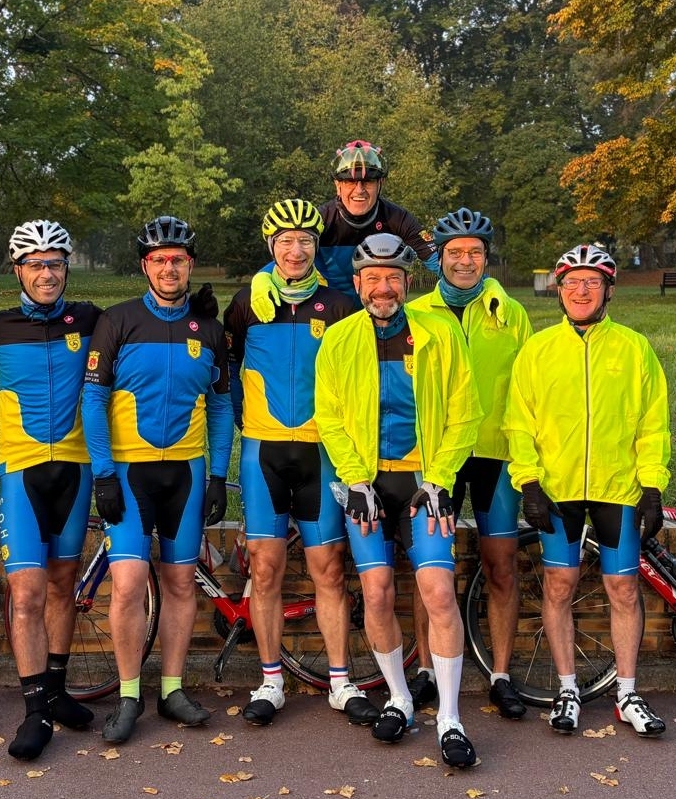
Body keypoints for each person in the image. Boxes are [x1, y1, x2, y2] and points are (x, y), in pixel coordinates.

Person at [315, 233, 483, 768]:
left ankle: (450, 717)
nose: (382, 288)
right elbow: (330, 417)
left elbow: (465, 412)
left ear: (408, 283)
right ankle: (399, 698)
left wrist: (440, 478)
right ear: (357, 283)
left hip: (422, 483)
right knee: (377, 592)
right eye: (372, 278)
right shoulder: (339, 338)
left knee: (438, 594)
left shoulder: (439, 332)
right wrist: (354, 479)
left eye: (392, 278)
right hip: (368, 485)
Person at [222, 199, 378, 727]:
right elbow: (227, 366)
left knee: (329, 568)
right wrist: (242, 417)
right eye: (285, 241)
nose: (296, 250)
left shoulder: (339, 305)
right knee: (265, 569)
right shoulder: (246, 303)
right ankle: (270, 681)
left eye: (306, 241)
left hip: (322, 450)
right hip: (263, 451)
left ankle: (340, 681)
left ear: (317, 247)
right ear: (272, 247)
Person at [504, 244, 670, 738]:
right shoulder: (537, 350)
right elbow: (519, 423)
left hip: (617, 488)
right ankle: (567, 689)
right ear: (559, 290)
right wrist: (528, 482)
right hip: (557, 489)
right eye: (572, 282)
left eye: (592, 282)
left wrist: (652, 485)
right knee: (560, 585)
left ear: (608, 291)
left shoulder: (634, 348)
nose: (581, 291)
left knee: (623, 588)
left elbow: (653, 423)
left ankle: (627, 693)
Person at [81, 216, 232, 744]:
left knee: (181, 582)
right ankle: (129, 695)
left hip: (186, 474)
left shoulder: (208, 329)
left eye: (178, 259)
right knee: (127, 585)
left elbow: (221, 406)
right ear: (145, 266)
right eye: (159, 259)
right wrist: (104, 474)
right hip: (128, 474)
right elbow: (93, 400)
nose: (170, 268)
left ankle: (171, 689)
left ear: (190, 265)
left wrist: (218, 475)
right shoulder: (117, 321)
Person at [0, 220, 101, 760]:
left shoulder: (91, 320)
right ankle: (34, 711)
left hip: (76, 468)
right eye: (35, 264)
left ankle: (55, 689)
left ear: (66, 268)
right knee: (26, 593)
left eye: (55, 263)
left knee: (63, 584)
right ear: (18, 271)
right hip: (22, 470)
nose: (46, 273)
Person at [405, 207, 532, 719]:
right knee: (431, 567)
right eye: (454, 252)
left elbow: (527, 387)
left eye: (474, 252)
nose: (464, 261)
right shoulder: (416, 312)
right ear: (438, 258)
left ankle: (500, 674)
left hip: (494, 453)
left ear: (486, 257)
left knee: (501, 565)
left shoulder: (511, 313)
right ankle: (425, 670)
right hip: (437, 456)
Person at [251, 140, 438, 315]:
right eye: (350, 181)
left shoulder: (397, 218)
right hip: (331, 311)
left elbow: (437, 261)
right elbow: (292, 255)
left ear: (380, 183)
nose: (359, 190)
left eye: (368, 181)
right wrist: (262, 276)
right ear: (337, 185)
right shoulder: (321, 219)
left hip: (380, 312)